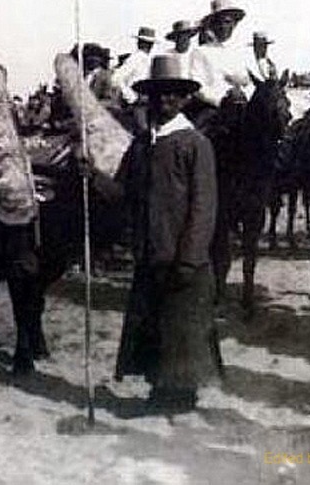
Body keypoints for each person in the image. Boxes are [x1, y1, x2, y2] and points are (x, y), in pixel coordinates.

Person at [115, 54, 221, 413]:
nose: (165, 101)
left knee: (182, 329)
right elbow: (123, 190)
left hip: (183, 257)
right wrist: (91, 175)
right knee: (155, 327)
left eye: (173, 94)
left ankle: (183, 397)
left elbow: (204, 205)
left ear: (185, 99)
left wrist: (190, 257)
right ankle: (159, 391)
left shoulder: (195, 143)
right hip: (150, 251)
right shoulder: (142, 144)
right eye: (158, 94)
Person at [113, 27, 158, 104]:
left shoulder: (148, 60)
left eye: (149, 43)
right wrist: (131, 97)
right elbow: (116, 78)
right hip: (136, 101)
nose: (149, 46)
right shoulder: (135, 58)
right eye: (145, 42)